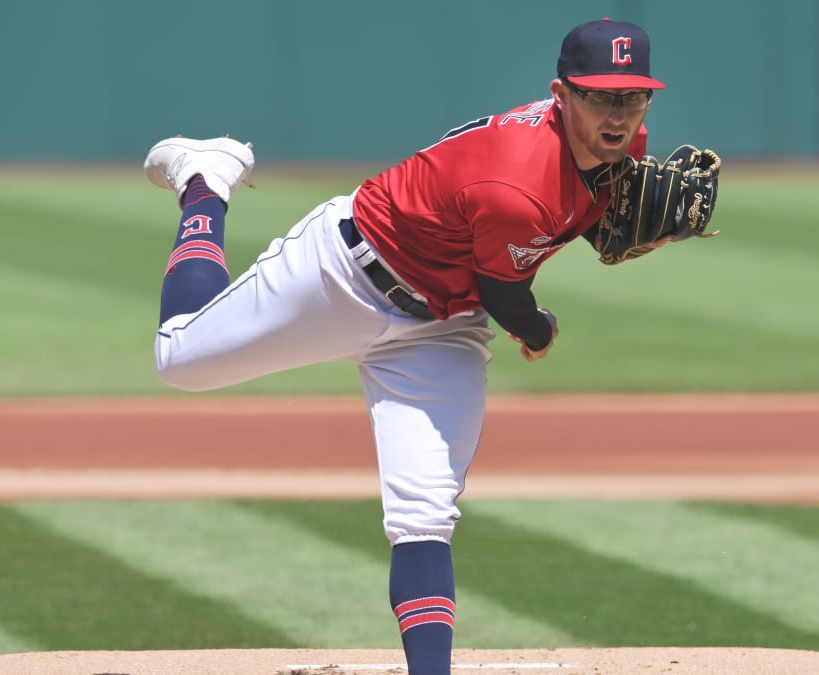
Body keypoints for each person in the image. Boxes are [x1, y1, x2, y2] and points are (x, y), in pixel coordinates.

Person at [145, 18, 674, 675]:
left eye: (632, 97)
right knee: (179, 360)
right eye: (600, 96)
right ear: (560, 94)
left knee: (424, 511)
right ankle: (205, 180)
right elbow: (508, 296)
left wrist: (602, 225)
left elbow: (570, 208)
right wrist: (539, 329)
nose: (618, 114)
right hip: (341, 272)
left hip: (442, 327)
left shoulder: (619, 146)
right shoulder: (513, 185)